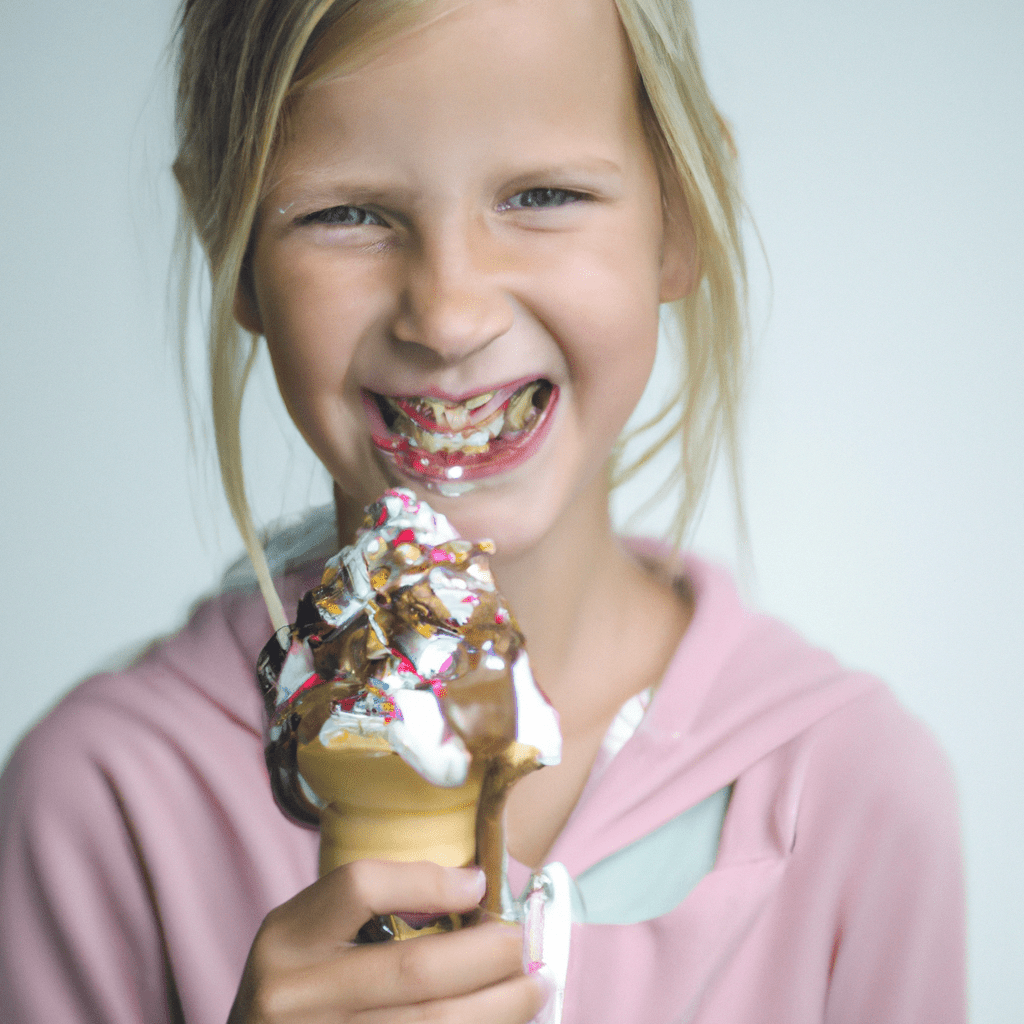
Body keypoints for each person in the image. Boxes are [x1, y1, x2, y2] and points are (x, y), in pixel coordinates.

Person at [0, 0, 966, 1021]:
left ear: (679, 212)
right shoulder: (102, 803)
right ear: (230, 245)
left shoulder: (850, 790)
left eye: (542, 194)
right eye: (346, 213)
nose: (450, 313)